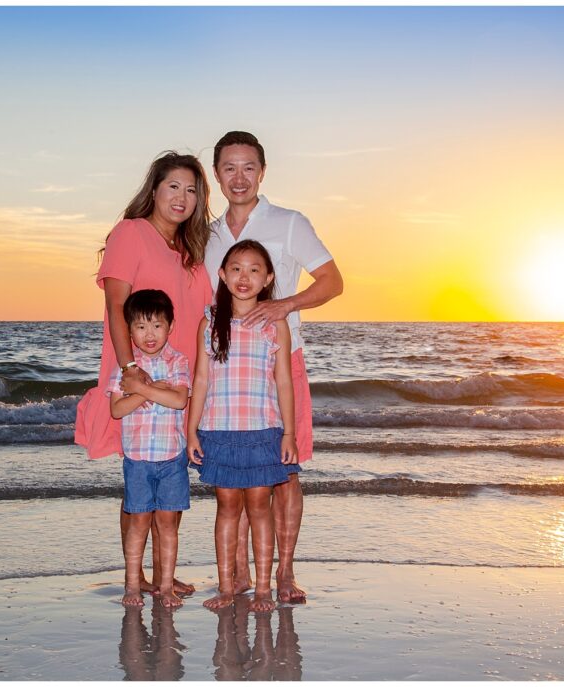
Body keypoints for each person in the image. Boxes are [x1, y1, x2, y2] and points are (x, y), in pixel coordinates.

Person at [204, 131, 345, 603]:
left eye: (248, 167)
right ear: (217, 174)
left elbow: (332, 281)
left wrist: (284, 304)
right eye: (229, 168)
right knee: (235, 477)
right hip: (225, 370)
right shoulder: (208, 234)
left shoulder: (288, 222)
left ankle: (284, 572)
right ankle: (240, 575)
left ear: (262, 172)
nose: (238, 177)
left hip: (282, 359)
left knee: (284, 469)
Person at [76, 151, 213, 597]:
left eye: (192, 190)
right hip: (137, 372)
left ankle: (163, 575)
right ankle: (140, 578)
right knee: (138, 480)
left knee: (168, 476)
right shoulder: (131, 233)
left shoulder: (191, 251)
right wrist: (130, 368)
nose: (182, 197)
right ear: (153, 189)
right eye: (173, 186)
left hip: (179, 378)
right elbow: (116, 306)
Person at [187, 240, 297, 613]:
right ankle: (227, 586)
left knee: (260, 509)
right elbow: (200, 381)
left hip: (264, 432)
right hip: (219, 432)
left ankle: (264, 589)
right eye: (235, 268)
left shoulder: (275, 325)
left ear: (267, 278)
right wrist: (191, 431)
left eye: (254, 270)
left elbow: (284, 382)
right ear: (222, 274)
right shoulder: (210, 321)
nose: (244, 276)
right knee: (227, 509)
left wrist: (290, 434)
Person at [108, 290, 191, 608]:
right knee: (139, 523)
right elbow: (117, 410)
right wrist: (150, 389)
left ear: (170, 325)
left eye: (157, 325)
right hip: (138, 460)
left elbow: (179, 399)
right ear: (129, 330)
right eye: (141, 327)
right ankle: (132, 585)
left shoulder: (177, 361)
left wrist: (141, 390)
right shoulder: (126, 369)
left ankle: (166, 585)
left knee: (168, 524)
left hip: (172, 459)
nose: (150, 334)